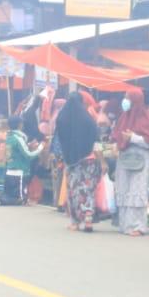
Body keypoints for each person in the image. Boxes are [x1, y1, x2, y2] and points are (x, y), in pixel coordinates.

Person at [112, 88, 149, 236]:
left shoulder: (145, 118)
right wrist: (117, 143)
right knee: (124, 188)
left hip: (140, 158)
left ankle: (138, 226)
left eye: (128, 98)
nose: (125, 101)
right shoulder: (124, 116)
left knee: (137, 190)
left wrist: (132, 137)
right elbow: (117, 135)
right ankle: (125, 225)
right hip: (124, 157)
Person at [56, 92, 104, 232]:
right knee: (88, 189)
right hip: (89, 160)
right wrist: (102, 161)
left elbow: (60, 141)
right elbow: (96, 141)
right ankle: (88, 218)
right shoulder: (88, 119)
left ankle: (75, 222)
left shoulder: (62, 118)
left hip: (71, 161)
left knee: (74, 190)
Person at [3, 114, 41, 204]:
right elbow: (28, 155)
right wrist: (40, 149)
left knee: (12, 197)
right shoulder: (19, 138)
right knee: (20, 200)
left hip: (10, 172)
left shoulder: (9, 137)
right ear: (19, 125)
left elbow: (15, 152)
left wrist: (28, 145)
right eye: (21, 123)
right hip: (19, 173)